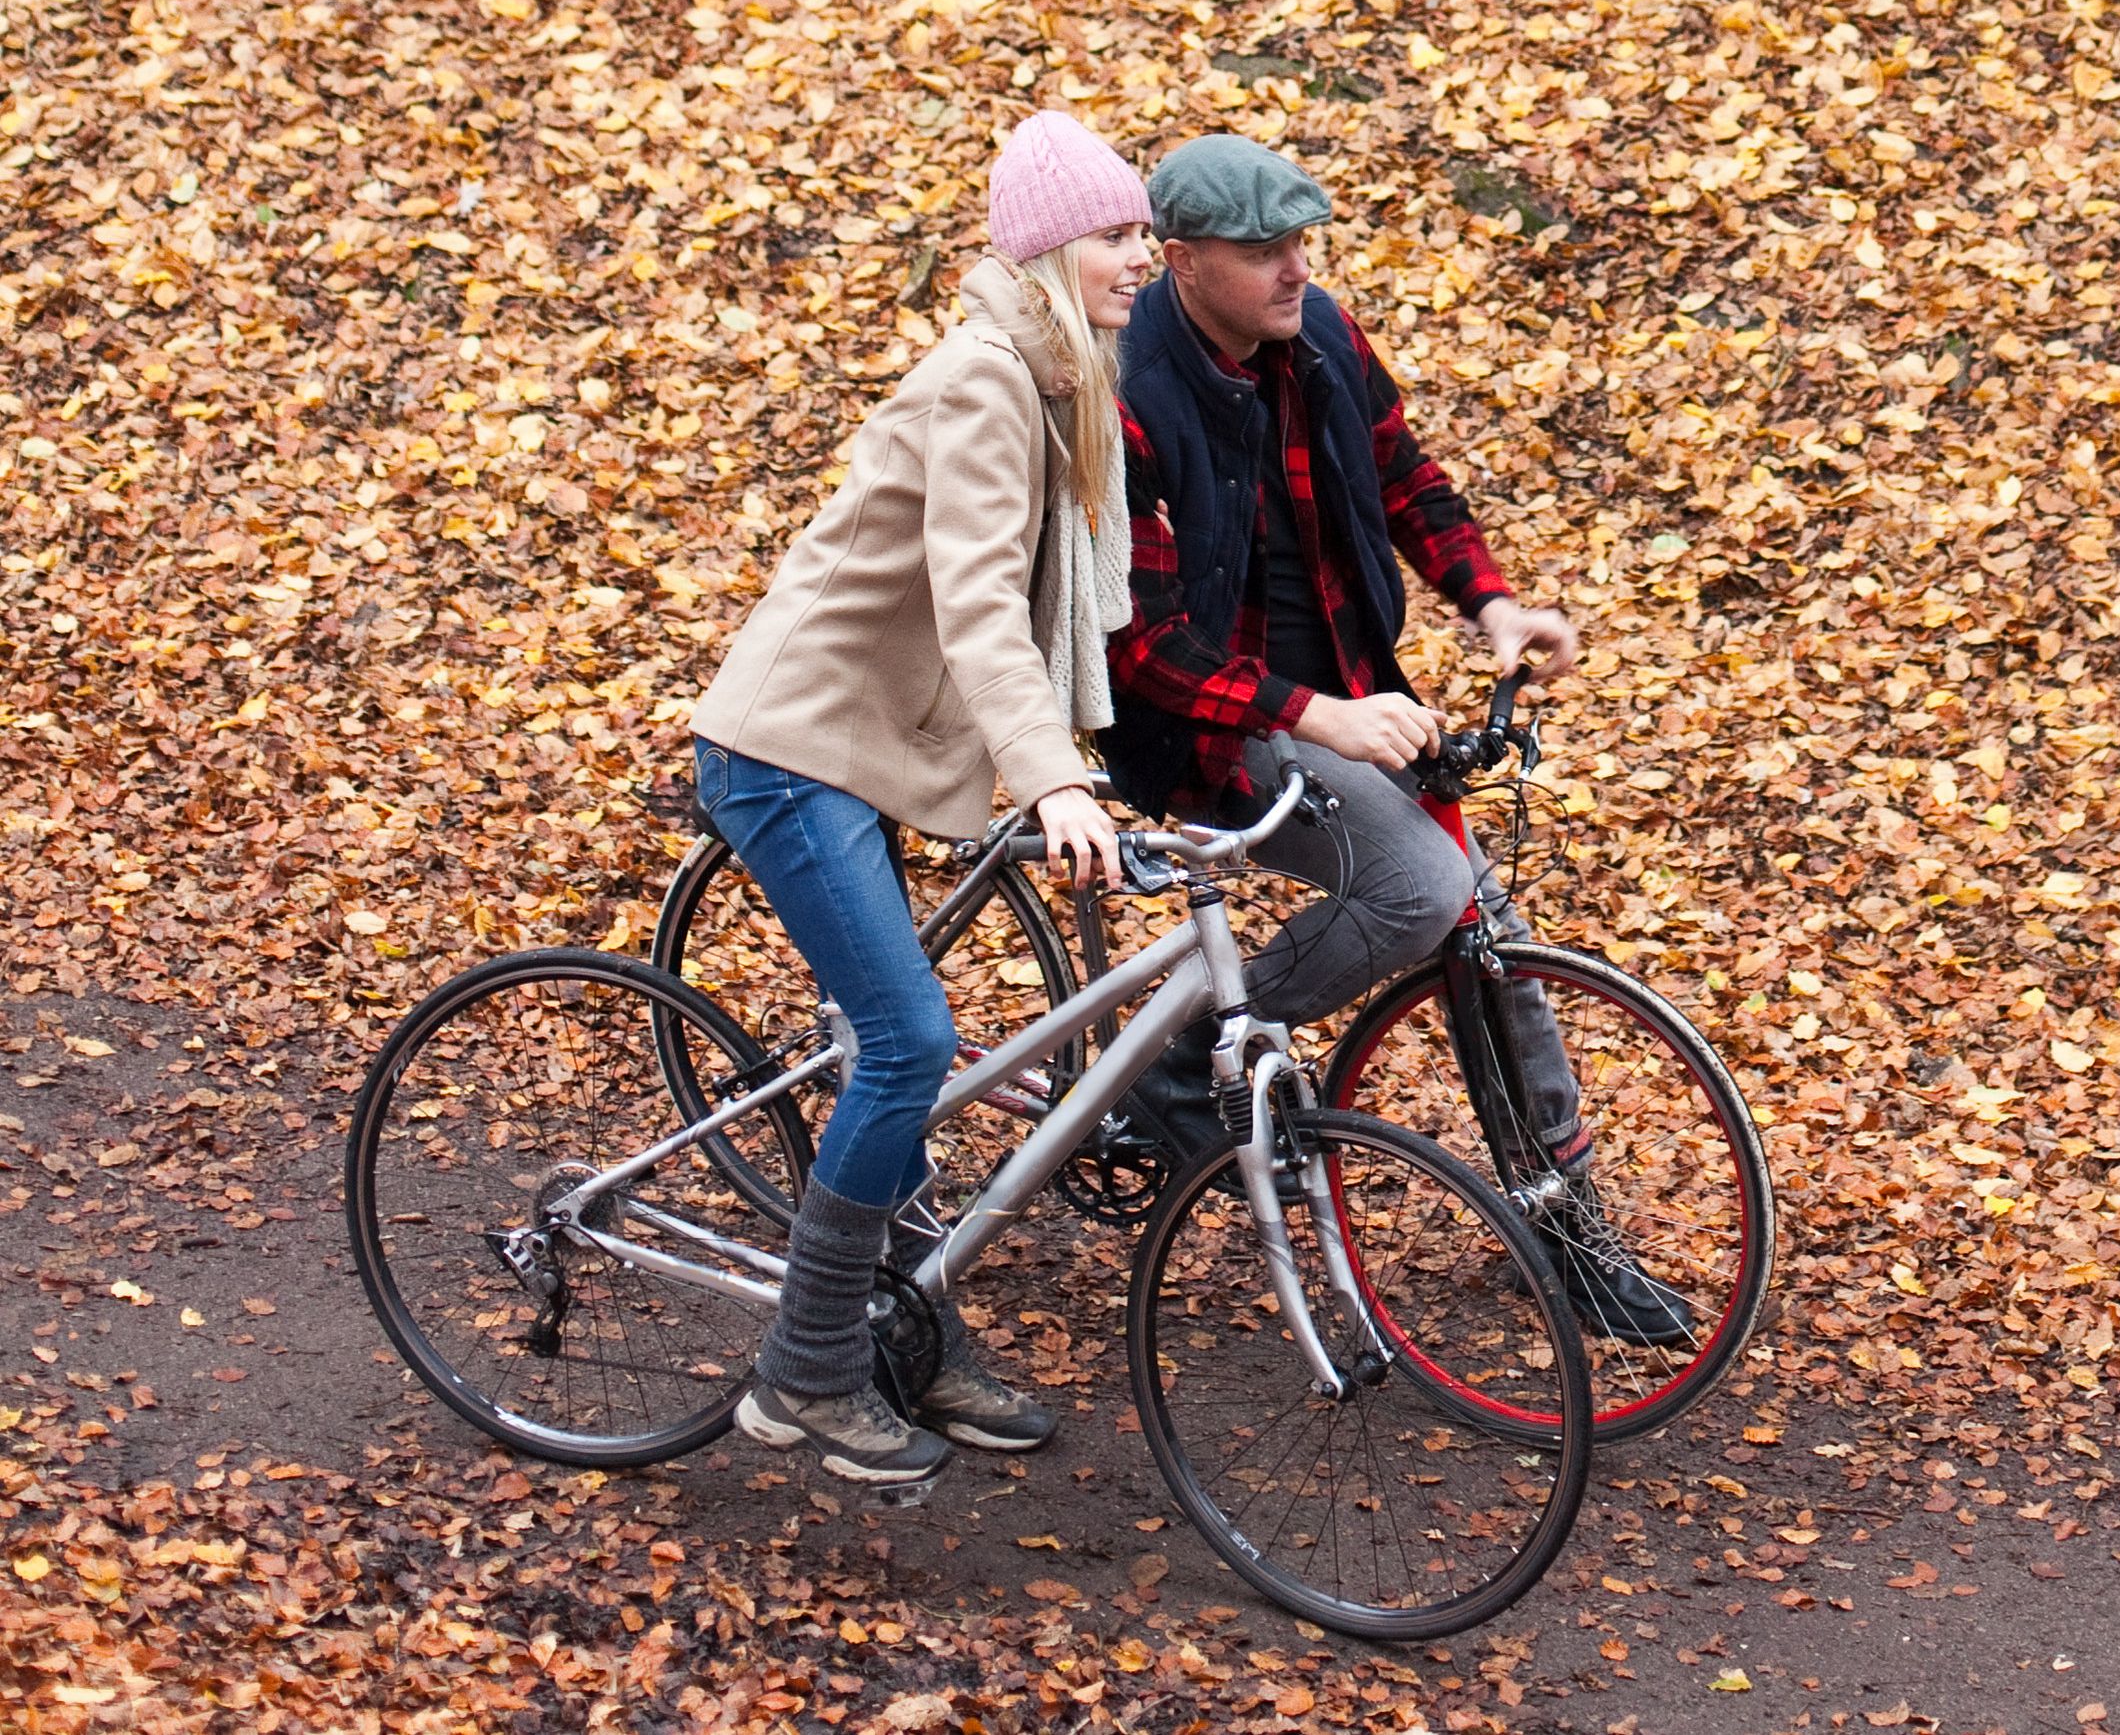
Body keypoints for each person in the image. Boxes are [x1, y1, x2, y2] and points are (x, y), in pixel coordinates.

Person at [1100, 131, 1692, 1342]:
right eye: (1262, 250)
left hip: (1354, 699)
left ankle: (1566, 1223)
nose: (1292, 268)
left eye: (1301, 241)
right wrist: (1317, 714)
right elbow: (1140, 644)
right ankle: (1183, 1075)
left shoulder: (1316, 335)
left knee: (1490, 937)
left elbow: (1405, 475)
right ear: (1180, 260)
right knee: (1425, 890)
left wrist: (1492, 602)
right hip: (1215, 724)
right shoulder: (1126, 393)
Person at [688, 110, 1150, 1488]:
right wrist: (1053, 772)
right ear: (1055, 249)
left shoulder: (1059, 375)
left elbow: (1044, 603)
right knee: (906, 1042)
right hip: (795, 745)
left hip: (871, 748)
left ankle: (905, 1335)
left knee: (887, 1048)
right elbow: (975, 602)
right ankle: (805, 1375)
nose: (1142, 254)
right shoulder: (986, 380)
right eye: (1120, 235)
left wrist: (1089, 761)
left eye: (1139, 231)